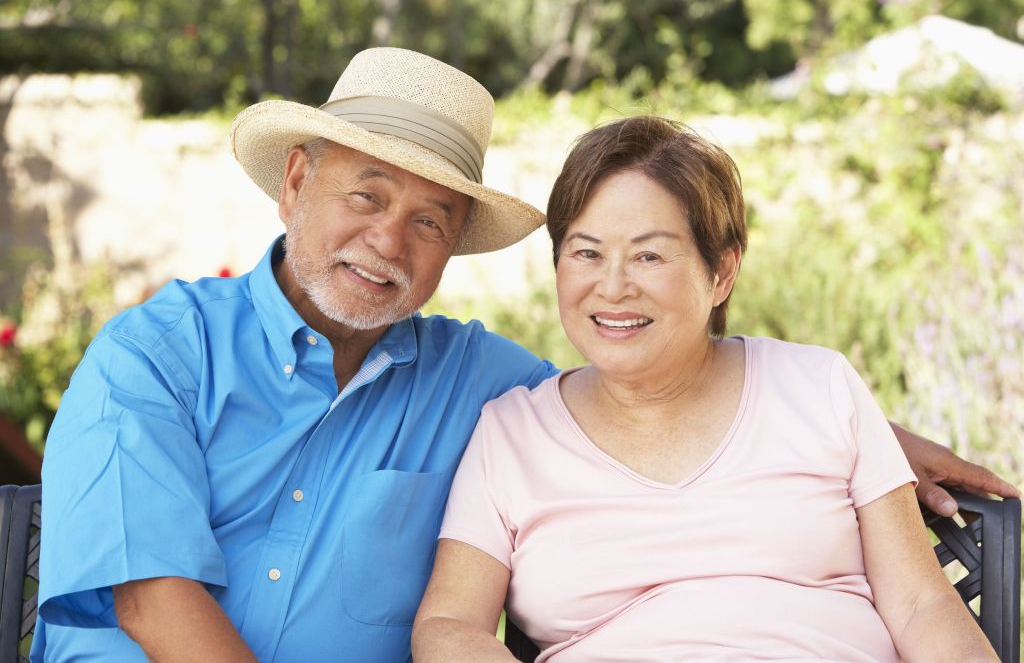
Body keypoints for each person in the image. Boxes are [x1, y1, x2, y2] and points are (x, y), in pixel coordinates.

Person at [33, 48, 1014, 662]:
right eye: (366, 198)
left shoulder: (475, 382)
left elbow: (650, 396)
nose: (388, 242)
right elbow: (153, 599)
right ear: (295, 182)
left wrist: (865, 438)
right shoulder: (156, 354)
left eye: (429, 220)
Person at [412, 117, 1003, 662]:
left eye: (649, 255)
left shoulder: (820, 387)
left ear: (722, 272)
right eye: (586, 253)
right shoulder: (511, 432)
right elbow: (449, 626)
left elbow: (921, 604)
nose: (612, 287)